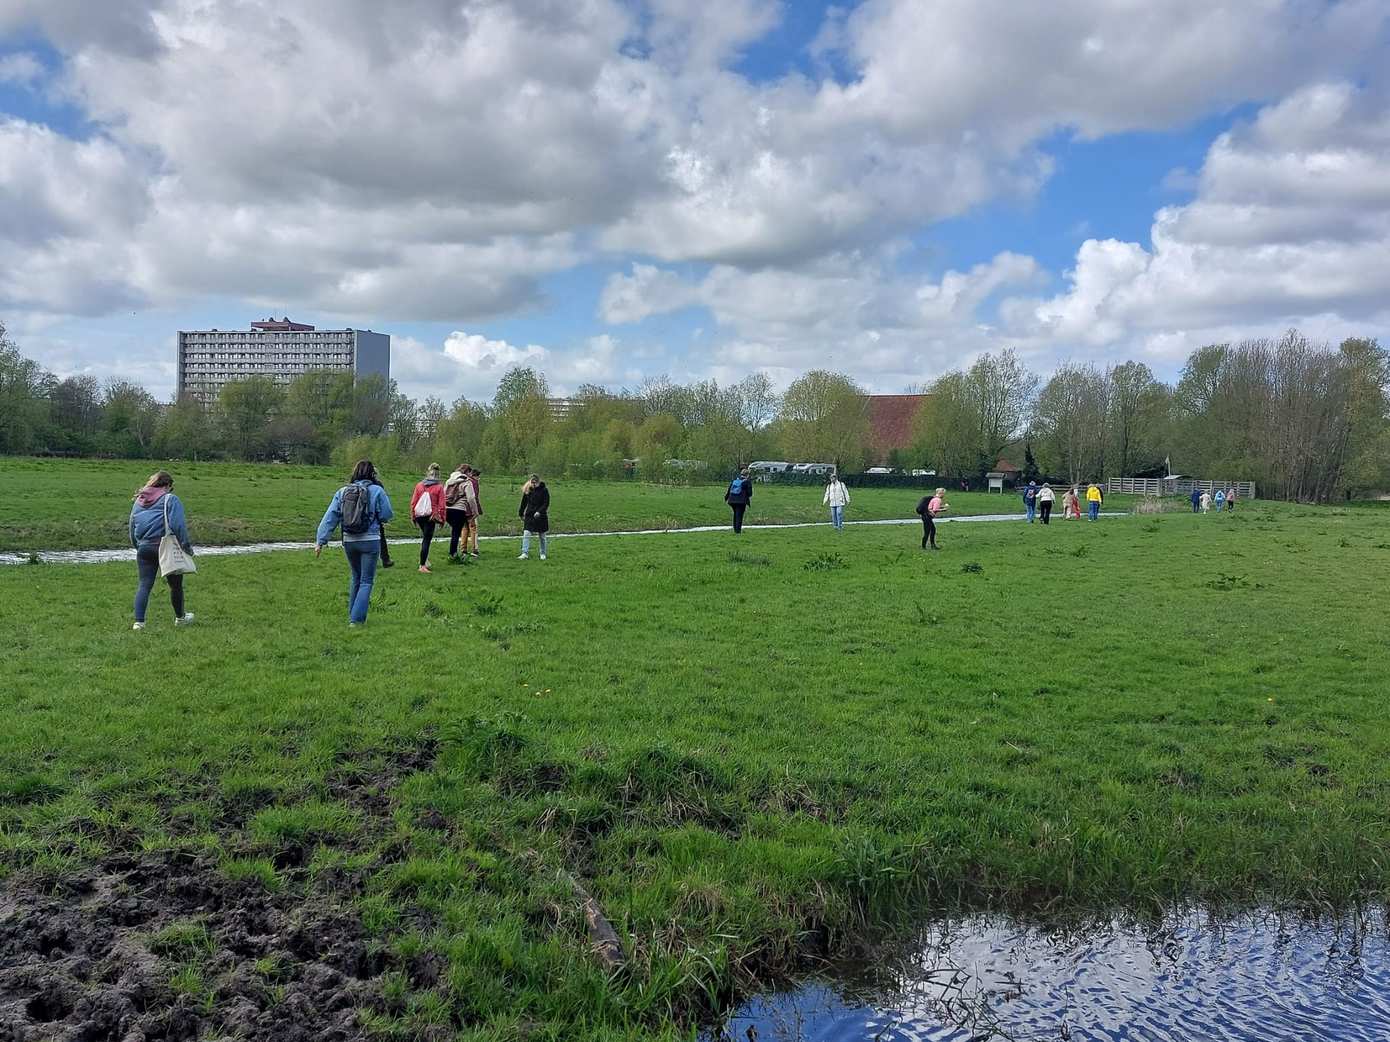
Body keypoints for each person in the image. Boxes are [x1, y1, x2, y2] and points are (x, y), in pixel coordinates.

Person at [315, 459, 394, 626]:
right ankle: (356, 621)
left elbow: (330, 517)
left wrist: (320, 540)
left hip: (349, 540)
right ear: (373, 474)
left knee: (355, 577)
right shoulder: (377, 490)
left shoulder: (342, 492)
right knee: (366, 580)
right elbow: (387, 514)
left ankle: (353, 615)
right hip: (370, 540)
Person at [129, 470, 195, 630]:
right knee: (175, 585)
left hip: (144, 547)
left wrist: (138, 546)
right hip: (165, 546)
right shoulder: (170, 500)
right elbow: (178, 526)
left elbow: (132, 527)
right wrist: (187, 548)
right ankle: (180, 618)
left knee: (144, 584)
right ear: (167, 485)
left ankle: (139, 623)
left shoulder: (139, 500)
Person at [409, 463, 447, 573]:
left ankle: (425, 560)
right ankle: (422, 565)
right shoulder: (439, 487)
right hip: (431, 516)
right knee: (426, 539)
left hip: (419, 515)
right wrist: (442, 519)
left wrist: (413, 516)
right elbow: (442, 505)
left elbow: (413, 502)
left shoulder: (419, 485)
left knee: (424, 538)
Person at [517, 474, 550, 560]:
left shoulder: (544, 490)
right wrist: (521, 513)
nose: (533, 484)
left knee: (542, 536)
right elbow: (523, 503)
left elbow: (546, 503)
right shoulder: (528, 490)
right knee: (526, 534)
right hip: (530, 515)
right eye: (532, 482)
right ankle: (525, 553)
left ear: (538, 482)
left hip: (541, 517)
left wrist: (539, 511)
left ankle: (543, 553)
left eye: (535, 483)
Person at [444, 464, 472, 560]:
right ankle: (453, 554)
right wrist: (474, 511)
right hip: (459, 509)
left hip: (447, 508)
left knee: (454, 531)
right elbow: (471, 498)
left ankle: (453, 552)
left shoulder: (449, 480)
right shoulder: (467, 481)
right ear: (467, 472)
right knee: (456, 532)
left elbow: (444, 493)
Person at [369, 466, 394, 568]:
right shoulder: (378, 485)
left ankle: (370, 560)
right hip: (376, 516)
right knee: (381, 537)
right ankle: (385, 559)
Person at [725, 467, 752, 533]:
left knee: (735, 514)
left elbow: (729, 490)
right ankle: (738, 531)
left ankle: (735, 529)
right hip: (741, 501)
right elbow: (750, 493)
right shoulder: (747, 482)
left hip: (732, 500)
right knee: (739, 515)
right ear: (747, 475)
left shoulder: (735, 481)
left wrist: (726, 497)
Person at [465, 466, 484, 557]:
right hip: (472, 510)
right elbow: (475, 497)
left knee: (465, 529)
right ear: (475, 476)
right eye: (478, 477)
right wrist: (478, 510)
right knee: (474, 529)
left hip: (463, 508)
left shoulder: (464, 481)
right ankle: (474, 549)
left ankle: (463, 549)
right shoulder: (474, 483)